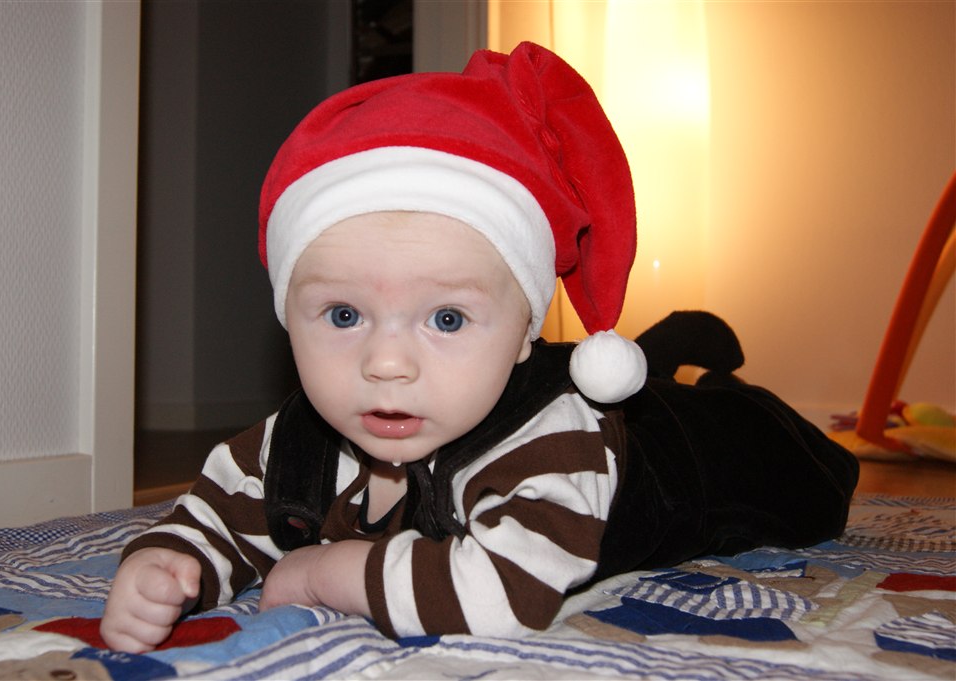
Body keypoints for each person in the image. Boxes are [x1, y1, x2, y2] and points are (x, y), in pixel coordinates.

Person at [100, 42, 858, 653]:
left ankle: (719, 387)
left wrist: (327, 572)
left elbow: (501, 596)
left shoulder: (548, 440)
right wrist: (169, 564)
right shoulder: (295, 443)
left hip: (700, 458)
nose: (386, 363)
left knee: (792, 467)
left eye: (447, 319)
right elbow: (219, 512)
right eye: (343, 314)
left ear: (525, 333)